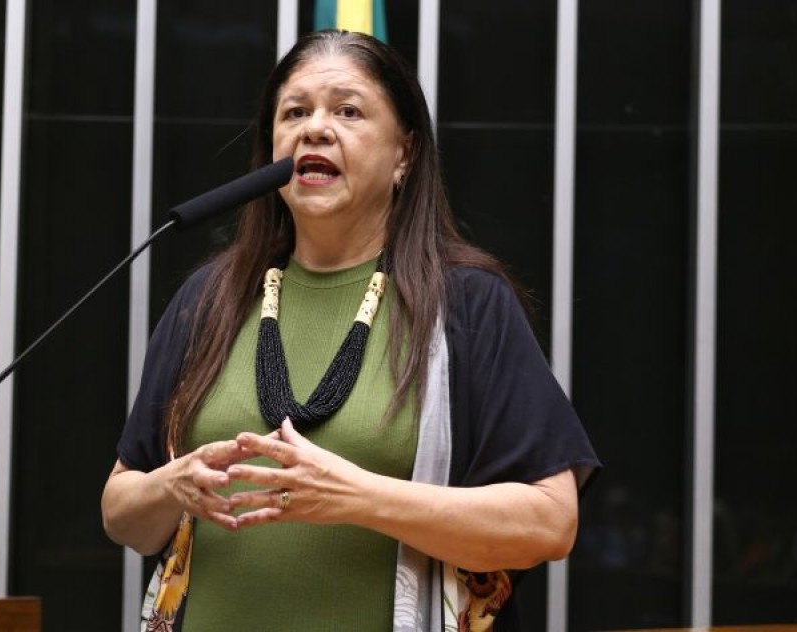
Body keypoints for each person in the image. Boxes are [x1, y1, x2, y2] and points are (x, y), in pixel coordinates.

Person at [102, 29, 599, 632]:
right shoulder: (209, 299)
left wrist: (358, 497)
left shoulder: (468, 304)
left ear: (404, 154)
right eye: (295, 113)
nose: (314, 129)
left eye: (348, 111)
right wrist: (171, 486)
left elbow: (550, 523)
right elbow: (122, 515)